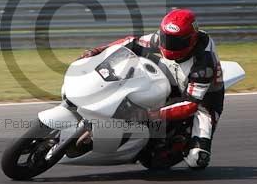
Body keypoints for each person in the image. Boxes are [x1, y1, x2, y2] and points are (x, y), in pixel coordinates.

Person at [79, 9, 225, 169]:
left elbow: (190, 105)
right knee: (134, 61)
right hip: (173, 72)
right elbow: (132, 42)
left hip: (202, 101)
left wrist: (151, 114)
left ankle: (180, 142)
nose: (168, 45)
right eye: (166, 39)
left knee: (197, 159)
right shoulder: (164, 38)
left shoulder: (203, 65)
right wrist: (98, 50)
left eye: (175, 43)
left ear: (191, 40)